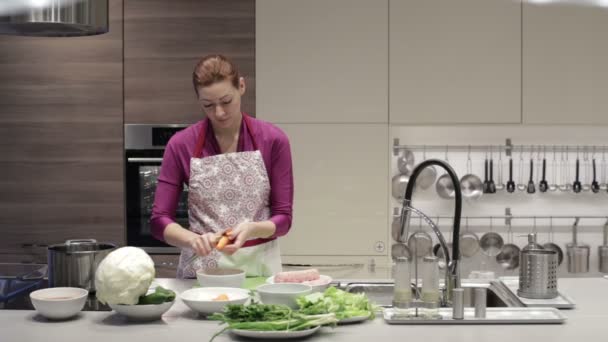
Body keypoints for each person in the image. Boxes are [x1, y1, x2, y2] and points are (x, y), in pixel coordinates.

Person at [150, 54, 294, 279]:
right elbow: (159, 221)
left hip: (259, 269)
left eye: (226, 101)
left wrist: (253, 229)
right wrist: (193, 240)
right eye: (208, 105)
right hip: (202, 270)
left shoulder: (273, 140)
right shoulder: (180, 144)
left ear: (242, 86)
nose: (219, 112)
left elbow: (283, 219)